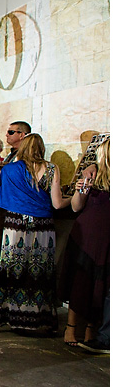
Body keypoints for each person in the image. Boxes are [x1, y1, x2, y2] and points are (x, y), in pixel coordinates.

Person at [0, 133, 68, 333]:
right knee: (39, 272)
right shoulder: (51, 169)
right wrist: (75, 198)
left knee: (13, 270)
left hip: (15, 226)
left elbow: (3, 196)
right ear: (42, 148)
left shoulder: (10, 170)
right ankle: (37, 319)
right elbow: (58, 204)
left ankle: (12, 316)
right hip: (43, 226)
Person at [61, 138, 109, 351]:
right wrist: (81, 191)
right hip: (88, 235)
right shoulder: (92, 174)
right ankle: (71, 327)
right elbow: (75, 206)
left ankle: (92, 328)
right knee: (81, 280)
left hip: (107, 237)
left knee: (102, 284)